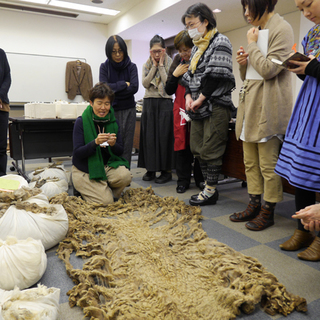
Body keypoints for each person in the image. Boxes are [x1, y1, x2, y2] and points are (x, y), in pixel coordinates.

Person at [228, 0, 294, 230]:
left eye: (249, 7)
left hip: (268, 106)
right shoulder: (258, 32)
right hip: (250, 105)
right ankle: (254, 203)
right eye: (244, 8)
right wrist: (243, 64)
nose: (246, 13)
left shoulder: (281, 28)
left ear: (263, 4)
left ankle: (269, 209)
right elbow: (251, 75)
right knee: (250, 162)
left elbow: (268, 70)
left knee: (268, 164)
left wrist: (252, 45)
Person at [274, 0, 320, 260]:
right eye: (301, 9)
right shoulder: (312, 34)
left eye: (308, 4)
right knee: (301, 168)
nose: (306, 13)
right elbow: (310, 73)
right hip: (309, 106)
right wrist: (299, 68)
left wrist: (311, 67)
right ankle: (302, 229)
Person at [181, 3, 235, 206]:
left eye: (192, 24)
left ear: (205, 21)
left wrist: (200, 98)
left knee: (211, 148)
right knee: (197, 148)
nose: (190, 29)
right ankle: (207, 188)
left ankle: (211, 190)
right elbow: (189, 76)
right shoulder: (196, 47)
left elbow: (215, 76)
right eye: (187, 26)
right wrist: (188, 97)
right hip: (196, 106)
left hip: (214, 105)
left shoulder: (221, 41)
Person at [72, 82, 132, 206]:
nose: (103, 108)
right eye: (99, 103)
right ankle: (83, 186)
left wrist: (113, 144)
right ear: (91, 103)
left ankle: (102, 189)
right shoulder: (81, 121)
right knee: (106, 202)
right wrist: (94, 143)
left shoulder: (113, 122)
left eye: (107, 103)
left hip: (105, 166)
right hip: (85, 168)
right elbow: (77, 153)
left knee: (125, 176)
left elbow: (120, 151)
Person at [164, 30, 204, 194]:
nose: (183, 54)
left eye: (186, 50)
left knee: (198, 144)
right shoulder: (177, 61)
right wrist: (174, 75)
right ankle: (183, 180)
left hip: (197, 105)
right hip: (180, 107)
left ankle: (201, 179)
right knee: (181, 144)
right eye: (180, 50)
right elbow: (168, 89)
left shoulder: (201, 59)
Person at [138, 35, 174, 184]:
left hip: (165, 101)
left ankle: (166, 172)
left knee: (164, 137)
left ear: (164, 50)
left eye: (160, 51)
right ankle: (150, 169)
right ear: (150, 51)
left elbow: (168, 83)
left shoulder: (170, 62)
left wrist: (160, 66)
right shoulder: (146, 64)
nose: (157, 54)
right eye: (154, 51)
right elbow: (146, 83)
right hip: (149, 102)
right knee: (149, 137)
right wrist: (154, 66)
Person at [99, 35, 139, 168]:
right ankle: (111, 171)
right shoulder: (104, 67)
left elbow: (134, 87)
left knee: (127, 143)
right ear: (109, 52)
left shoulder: (131, 67)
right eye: (114, 51)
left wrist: (113, 90)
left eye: (120, 51)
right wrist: (123, 85)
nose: (117, 55)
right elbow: (104, 88)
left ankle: (124, 172)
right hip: (111, 110)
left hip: (129, 109)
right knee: (111, 141)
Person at [0, 49, 11, 176]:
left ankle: (1, 177)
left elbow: (7, 77)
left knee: (1, 147)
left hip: (1, 105)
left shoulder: (1, 54)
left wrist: (0, 95)